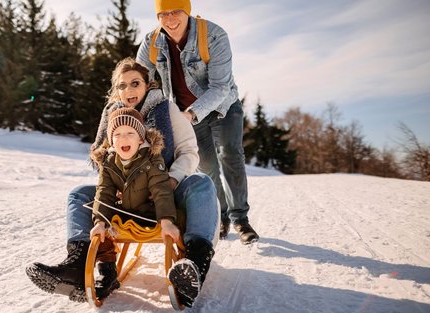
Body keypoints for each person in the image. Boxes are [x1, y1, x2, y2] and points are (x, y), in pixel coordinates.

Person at [26, 58, 219, 308]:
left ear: (148, 85)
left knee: (201, 182)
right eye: (121, 86)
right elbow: (103, 161)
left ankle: (194, 264)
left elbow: (190, 152)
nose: (128, 91)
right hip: (126, 193)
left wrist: (171, 180)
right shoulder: (112, 115)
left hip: (166, 188)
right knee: (79, 194)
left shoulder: (166, 109)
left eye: (135, 84)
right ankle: (77, 263)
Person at [136, 0, 259, 244]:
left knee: (230, 155)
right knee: (207, 167)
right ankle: (222, 217)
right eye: (164, 14)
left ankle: (240, 219)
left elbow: (220, 87)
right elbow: (139, 80)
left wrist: (191, 114)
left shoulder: (213, 36)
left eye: (176, 12)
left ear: (187, 11)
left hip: (223, 106)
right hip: (185, 113)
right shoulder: (151, 44)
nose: (170, 19)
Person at [89, 107, 181, 300]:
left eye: (130, 133)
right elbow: (104, 192)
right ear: (111, 140)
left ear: (140, 138)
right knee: (100, 222)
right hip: (125, 213)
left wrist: (166, 220)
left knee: (181, 218)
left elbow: (161, 190)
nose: (124, 139)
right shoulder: (108, 162)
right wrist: (99, 222)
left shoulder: (152, 158)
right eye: (118, 134)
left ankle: (184, 268)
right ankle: (107, 270)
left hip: (150, 214)